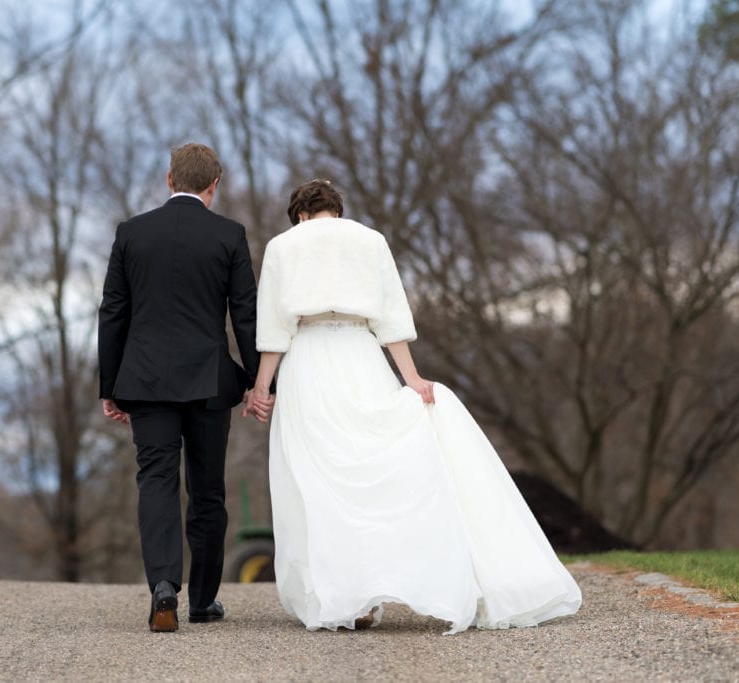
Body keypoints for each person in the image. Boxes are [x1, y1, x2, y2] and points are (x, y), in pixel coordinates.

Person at [244, 179, 581, 633]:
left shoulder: (283, 246)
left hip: (309, 362)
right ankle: (383, 585)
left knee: (321, 483)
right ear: (337, 211)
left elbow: (274, 327)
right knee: (370, 474)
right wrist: (412, 378)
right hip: (361, 357)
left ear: (300, 214)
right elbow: (391, 318)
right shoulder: (371, 241)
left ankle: (349, 600)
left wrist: (262, 388)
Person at [98, 143, 266, 632]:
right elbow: (245, 314)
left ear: (169, 178)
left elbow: (113, 312)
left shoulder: (131, 233)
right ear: (214, 186)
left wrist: (110, 385)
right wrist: (257, 381)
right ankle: (203, 600)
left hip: (145, 381)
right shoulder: (229, 235)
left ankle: (163, 587)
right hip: (209, 382)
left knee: (156, 481)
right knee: (208, 490)